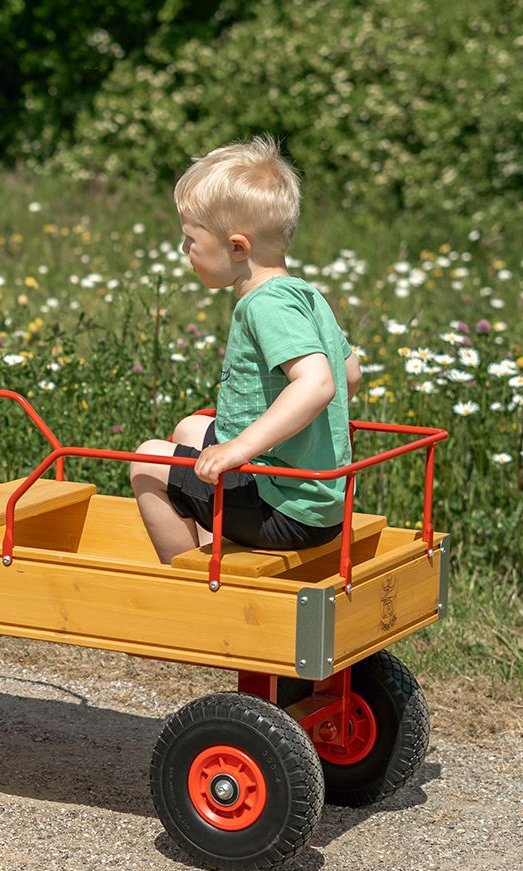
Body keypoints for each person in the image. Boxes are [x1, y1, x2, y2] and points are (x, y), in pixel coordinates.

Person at [130, 137, 362, 565]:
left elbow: (318, 384)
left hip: (285, 509)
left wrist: (241, 448)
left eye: (190, 239)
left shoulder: (265, 305)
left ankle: (191, 586)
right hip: (320, 498)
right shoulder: (304, 294)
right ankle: (213, 546)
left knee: (147, 460)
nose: (185, 251)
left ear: (237, 247)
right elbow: (350, 374)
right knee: (187, 431)